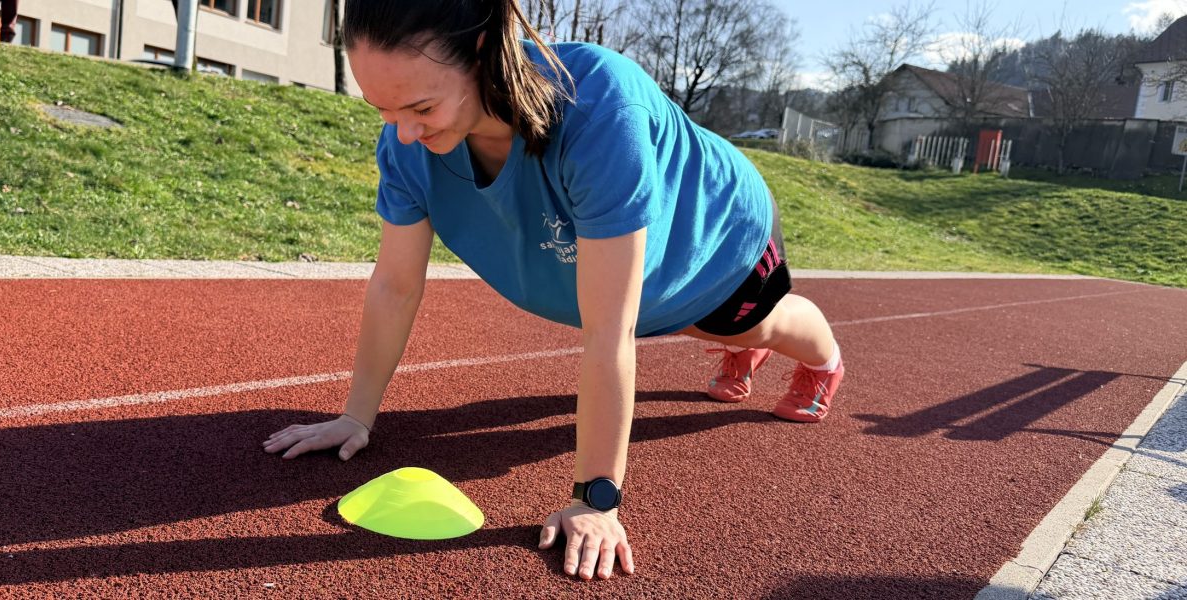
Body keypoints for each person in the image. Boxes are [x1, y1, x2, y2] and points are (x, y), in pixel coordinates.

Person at [263, 0, 844, 583]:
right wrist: (355, 416)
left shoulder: (599, 106)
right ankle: (735, 344)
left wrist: (596, 499)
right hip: (637, 282)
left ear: (484, 52)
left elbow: (609, 330)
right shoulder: (405, 146)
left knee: (745, 325)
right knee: (658, 316)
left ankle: (821, 363)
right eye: (382, 109)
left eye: (421, 108)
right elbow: (394, 285)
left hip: (718, 239)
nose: (404, 133)